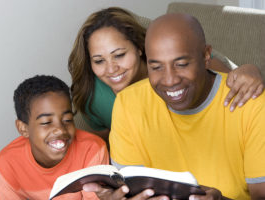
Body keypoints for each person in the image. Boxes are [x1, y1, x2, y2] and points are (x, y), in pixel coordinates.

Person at [83, 13, 265, 199]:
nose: (170, 80)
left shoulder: (249, 102)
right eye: (157, 67)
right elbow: (132, 189)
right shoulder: (126, 104)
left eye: (181, 64)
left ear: (206, 55)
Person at [68, 7, 264, 144]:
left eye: (119, 55)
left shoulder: (189, 64)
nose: (111, 69)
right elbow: (103, 141)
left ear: (139, 47)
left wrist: (250, 70)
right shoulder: (92, 96)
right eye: (99, 61)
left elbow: (230, 85)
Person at [0, 75, 109, 200]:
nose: (60, 129)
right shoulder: (8, 162)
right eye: (46, 122)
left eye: (67, 120)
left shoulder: (92, 149)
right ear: (23, 128)